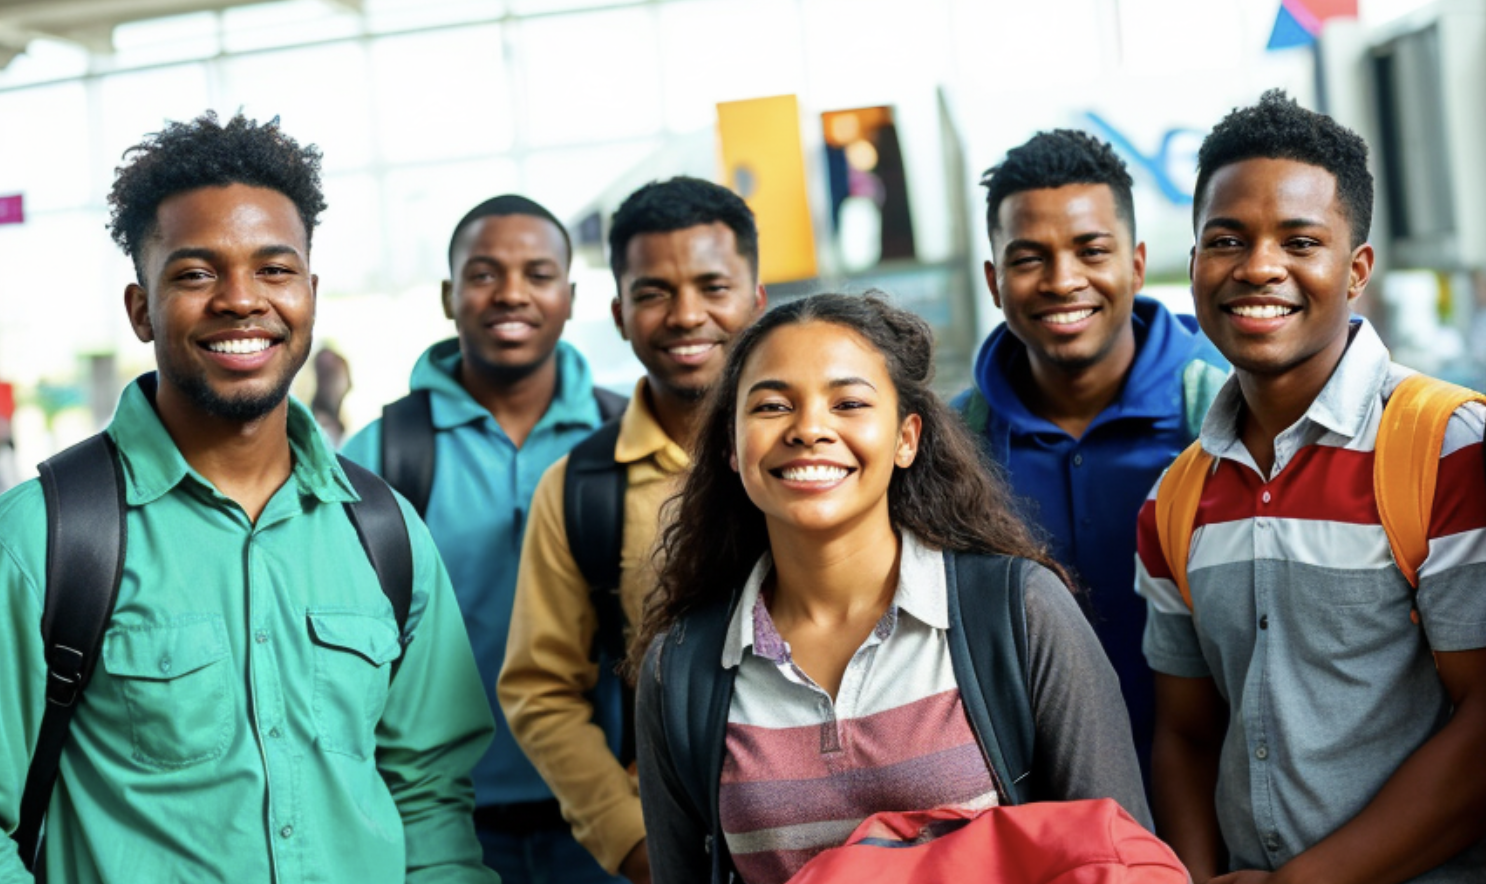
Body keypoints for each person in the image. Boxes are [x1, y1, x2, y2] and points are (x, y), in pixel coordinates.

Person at [0, 111, 495, 882]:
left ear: (310, 293)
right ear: (141, 310)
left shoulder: (384, 533)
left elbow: (430, 798)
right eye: (197, 274)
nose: (241, 300)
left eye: (273, 269)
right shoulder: (45, 541)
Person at [632, 292, 1149, 884]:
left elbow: (1122, 858)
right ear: (731, 446)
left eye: (848, 402)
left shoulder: (1017, 612)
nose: (809, 429)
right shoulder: (681, 669)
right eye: (773, 406)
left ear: (906, 438)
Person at [1138, 91, 1486, 883]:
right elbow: (1186, 733)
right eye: (1226, 240)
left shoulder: (1446, 446)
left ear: (1357, 268)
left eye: (1299, 241)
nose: (1258, 267)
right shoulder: (1174, 499)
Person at [343, 193, 618, 883]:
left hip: (609, 814)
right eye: (485, 273)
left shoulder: (625, 443)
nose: (512, 294)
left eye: (538, 273)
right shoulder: (382, 456)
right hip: (440, 822)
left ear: (571, 294)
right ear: (448, 295)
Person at [499, 177, 765, 884]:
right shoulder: (582, 488)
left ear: (757, 301)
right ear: (618, 313)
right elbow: (540, 689)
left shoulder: (823, 453)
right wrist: (635, 844)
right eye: (652, 293)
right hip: (686, 843)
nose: (686, 316)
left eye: (714, 287)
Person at [955, 129, 1226, 779]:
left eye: (1090, 250)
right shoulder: (953, 446)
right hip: (1047, 823)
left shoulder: (1225, 411)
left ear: (1135, 263)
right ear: (994, 281)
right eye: (1028, 259)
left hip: (1223, 807)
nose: (1062, 280)